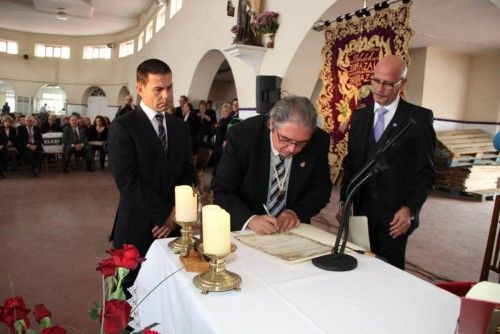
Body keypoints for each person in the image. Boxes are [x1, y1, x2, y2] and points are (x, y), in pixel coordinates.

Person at [338, 55, 436, 270]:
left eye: (388, 84)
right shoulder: (360, 117)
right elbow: (352, 163)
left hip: (395, 216)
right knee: (360, 266)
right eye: (375, 81)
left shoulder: (418, 119)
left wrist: (410, 209)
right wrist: (344, 201)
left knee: (389, 272)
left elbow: (426, 173)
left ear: (402, 84)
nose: (379, 89)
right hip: (362, 210)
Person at [108, 58, 197, 287]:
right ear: (140, 88)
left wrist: (176, 214)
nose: (166, 95)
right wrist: (165, 213)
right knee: (132, 295)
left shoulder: (179, 127)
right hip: (137, 226)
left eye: (169, 88)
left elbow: (188, 174)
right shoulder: (123, 127)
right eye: (158, 89)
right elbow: (127, 181)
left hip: (172, 227)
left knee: (171, 291)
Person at [212, 95, 332, 233]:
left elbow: (321, 190)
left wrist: (295, 212)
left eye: (301, 143)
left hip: (292, 231)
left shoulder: (318, 141)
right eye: (285, 139)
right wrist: (251, 219)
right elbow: (222, 190)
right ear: (271, 124)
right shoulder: (242, 136)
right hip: (244, 229)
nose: (292, 149)